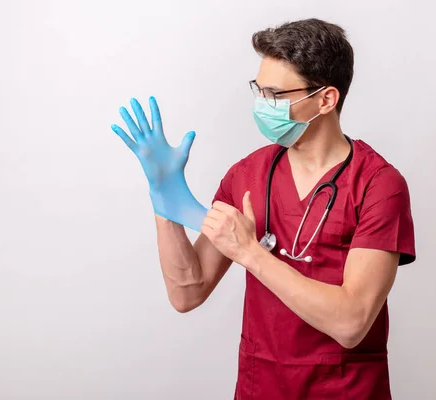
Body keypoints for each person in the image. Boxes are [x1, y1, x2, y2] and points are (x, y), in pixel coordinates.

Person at [111, 18, 415, 400]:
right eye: (259, 91)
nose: (262, 105)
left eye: (275, 94)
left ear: (326, 99)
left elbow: (351, 321)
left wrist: (252, 254)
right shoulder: (248, 174)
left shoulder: (379, 185)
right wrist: (164, 199)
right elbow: (187, 293)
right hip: (262, 387)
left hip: (344, 390)